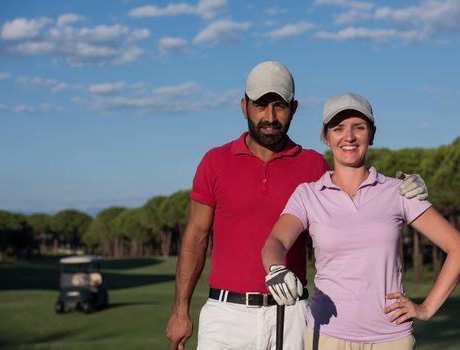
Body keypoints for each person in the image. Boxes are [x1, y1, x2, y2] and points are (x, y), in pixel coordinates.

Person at [165, 62, 429, 350]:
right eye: (260, 105)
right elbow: (195, 238)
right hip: (227, 313)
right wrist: (181, 311)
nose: (270, 116)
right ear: (244, 107)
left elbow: (357, 197)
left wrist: (401, 187)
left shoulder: (313, 164)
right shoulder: (215, 162)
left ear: (294, 108)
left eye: (279, 106)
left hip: (292, 314)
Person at [262, 92, 460, 350]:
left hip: (391, 338)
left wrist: (427, 308)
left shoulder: (400, 191)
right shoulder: (308, 194)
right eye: (338, 128)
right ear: (325, 137)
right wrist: (275, 268)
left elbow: (459, 248)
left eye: (358, 127)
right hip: (328, 336)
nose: (348, 137)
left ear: (372, 134)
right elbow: (276, 240)